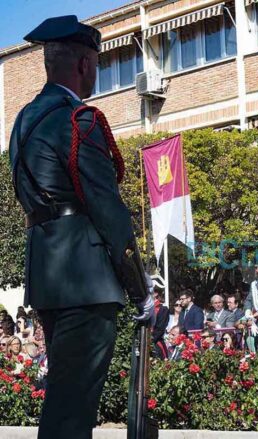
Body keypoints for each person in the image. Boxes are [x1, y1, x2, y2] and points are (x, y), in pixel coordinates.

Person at [8, 16, 154, 439]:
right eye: (97, 64)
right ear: (84, 65)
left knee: (64, 399)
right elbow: (108, 210)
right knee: (73, 410)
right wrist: (140, 288)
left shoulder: (24, 120)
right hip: (86, 278)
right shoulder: (79, 120)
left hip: (47, 272)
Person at [152, 290, 170, 360]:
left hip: (156, 342)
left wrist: (150, 340)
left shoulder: (163, 309)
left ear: (155, 293)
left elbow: (160, 329)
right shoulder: (146, 308)